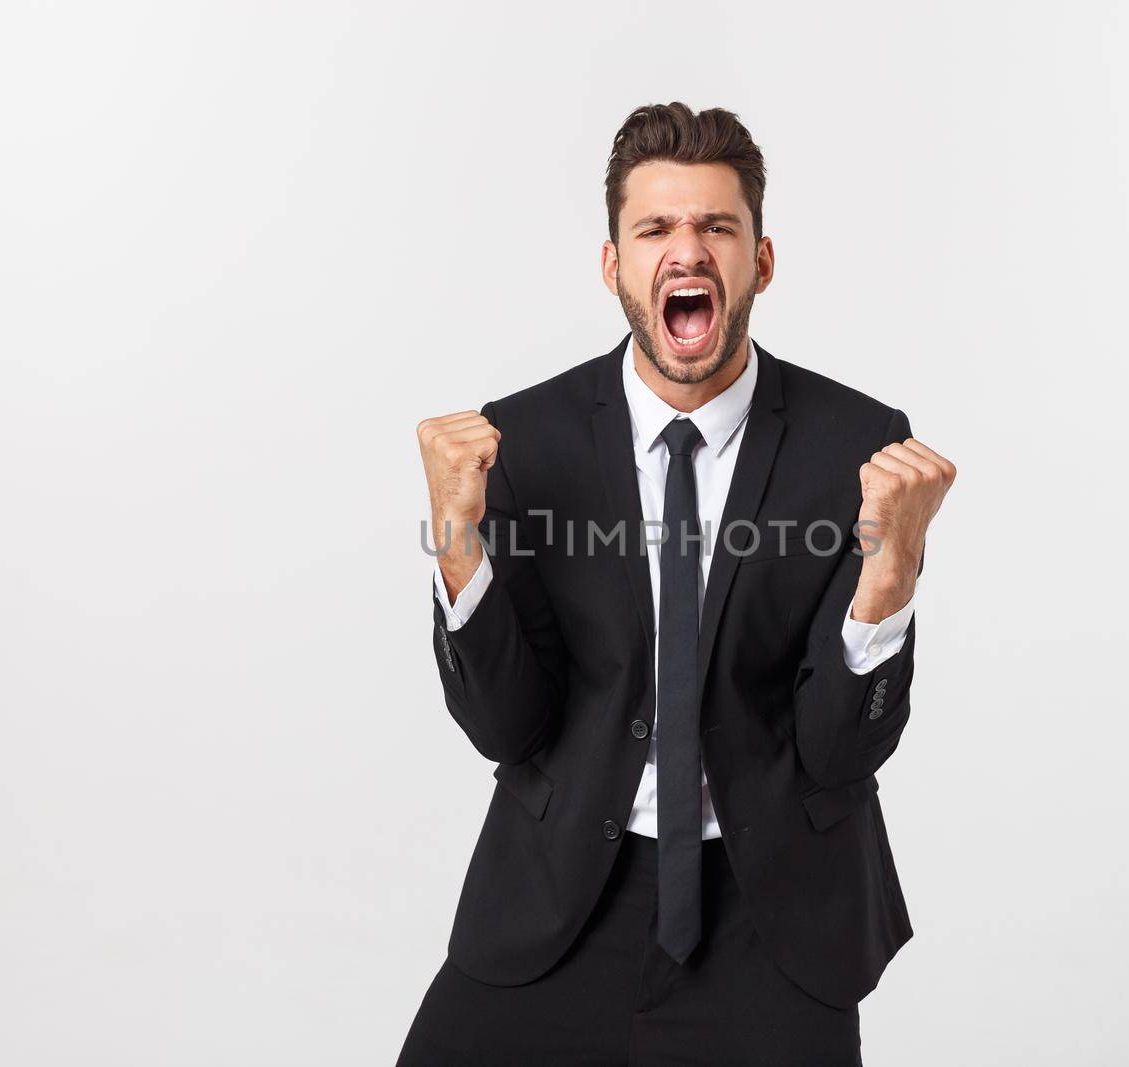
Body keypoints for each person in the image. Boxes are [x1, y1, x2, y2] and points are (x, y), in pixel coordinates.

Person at [400, 101, 956, 1066]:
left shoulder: (856, 448)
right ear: (614, 265)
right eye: (655, 228)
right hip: (562, 898)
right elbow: (506, 728)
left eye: (716, 227)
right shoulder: (522, 443)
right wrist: (457, 539)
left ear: (761, 262)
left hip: (771, 915)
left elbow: (838, 752)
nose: (686, 250)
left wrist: (891, 574)